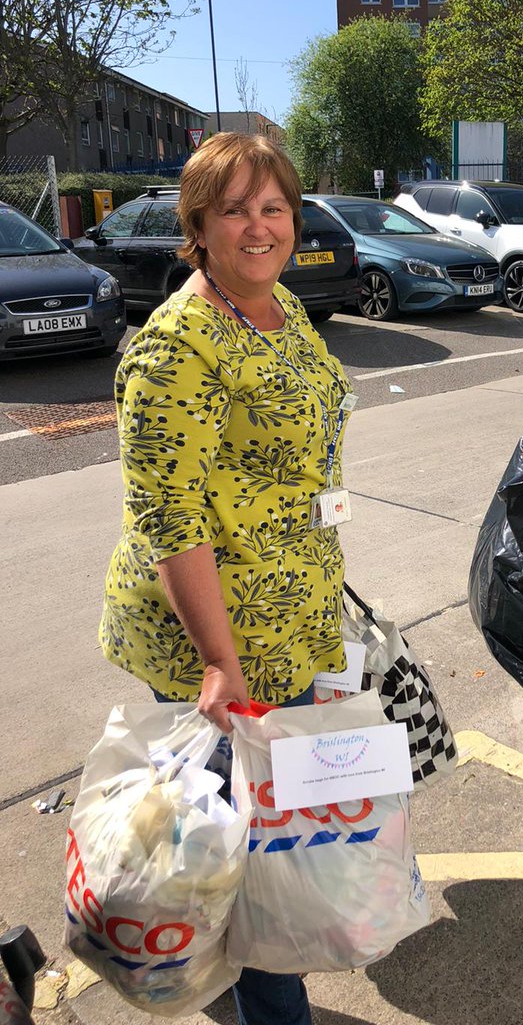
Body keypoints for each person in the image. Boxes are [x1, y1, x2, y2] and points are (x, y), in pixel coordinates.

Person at [100, 132, 354, 1025]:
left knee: (258, 840)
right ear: (197, 227)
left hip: (292, 615)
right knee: (239, 859)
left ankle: (237, 979)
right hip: (214, 639)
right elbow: (171, 520)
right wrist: (219, 661)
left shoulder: (274, 302)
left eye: (273, 206)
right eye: (234, 209)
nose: (258, 226)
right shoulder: (179, 346)